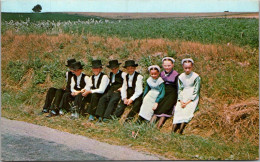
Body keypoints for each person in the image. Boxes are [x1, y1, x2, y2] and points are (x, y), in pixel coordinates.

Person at [172, 58, 201, 134]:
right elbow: (180, 89)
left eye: (189, 68)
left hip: (191, 96)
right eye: (186, 68)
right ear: (183, 67)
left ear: (192, 67)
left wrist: (188, 101)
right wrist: (181, 100)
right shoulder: (181, 76)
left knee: (187, 110)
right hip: (183, 94)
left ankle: (181, 130)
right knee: (179, 109)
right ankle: (173, 130)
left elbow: (196, 90)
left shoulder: (196, 77)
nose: (187, 70)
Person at [150, 57, 179, 128]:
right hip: (163, 91)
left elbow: (178, 87)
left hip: (172, 93)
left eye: (169, 65)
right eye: (165, 66)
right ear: (162, 65)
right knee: (158, 108)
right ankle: (149, 126)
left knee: (166, 109)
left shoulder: (176, 75)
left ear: (173, 65)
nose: (167, 67)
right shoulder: (161, 74)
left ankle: (158, 127)